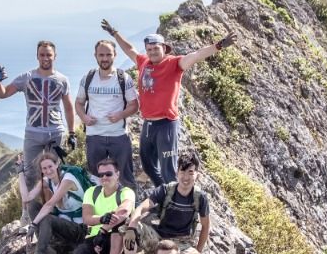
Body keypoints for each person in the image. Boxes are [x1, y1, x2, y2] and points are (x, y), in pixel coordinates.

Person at [99, 19, 234, 188]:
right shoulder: (143, 62)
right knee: (148, 166)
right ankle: (164, 195)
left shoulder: (174, 63)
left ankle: (173, 204)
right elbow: (129, 49)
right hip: (148, 124)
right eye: (149, 49)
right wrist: (114, 33)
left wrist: (219, 45)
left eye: (156, 48)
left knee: (168, 169)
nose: (153, 52)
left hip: (166, 125)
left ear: (164, 48)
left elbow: (197, 55)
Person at [57, 156, 135, 254]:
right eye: (101, 175)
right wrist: (101, 219)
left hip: (118, 244)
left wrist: (103, 229)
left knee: (119, 228)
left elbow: (124, 211)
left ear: (117, 174)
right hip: (95, 240)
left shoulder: (126, 192)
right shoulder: (92, 192)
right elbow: (87, 218)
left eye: (108, 174)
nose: (104, 178)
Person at [0, 40, 76, 185]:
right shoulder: (26, 78)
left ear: (55, 56)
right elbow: (3, 94)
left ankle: (55, 205)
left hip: (55, 132)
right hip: (33, 133)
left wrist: (72, 133)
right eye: (42, 55)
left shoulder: (63, 80)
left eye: (48, 55)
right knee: (30, 174)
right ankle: (33, 207)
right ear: (37, 56)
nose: (45, 58)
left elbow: (69, 107)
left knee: (54, 172)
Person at [75, 39, 139, 191]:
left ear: (115, 55)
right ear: (95, 56)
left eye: (108, 54)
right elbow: (78, 103)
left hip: (119, 135)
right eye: (101, 55)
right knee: (96, 177)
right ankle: (99, 210)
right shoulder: (88, 78)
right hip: (94, 136)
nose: (104, 58)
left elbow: (135, 105)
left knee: (125, 176)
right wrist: (84, 118)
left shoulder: (123, 78)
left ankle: (130, 211)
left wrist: (120, 115)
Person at [17, 151, 87, 254]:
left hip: (79, 229)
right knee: (32, 205)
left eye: (50, 166)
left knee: (47, 217)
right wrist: (20, 173)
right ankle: (47, 248)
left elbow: (50, 205)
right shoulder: (47, 181)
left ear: (57, 164)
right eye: (44, 168)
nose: (48, 171)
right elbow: (26, 198)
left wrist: (34, 224)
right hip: (64, 226)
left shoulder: (68, 179)